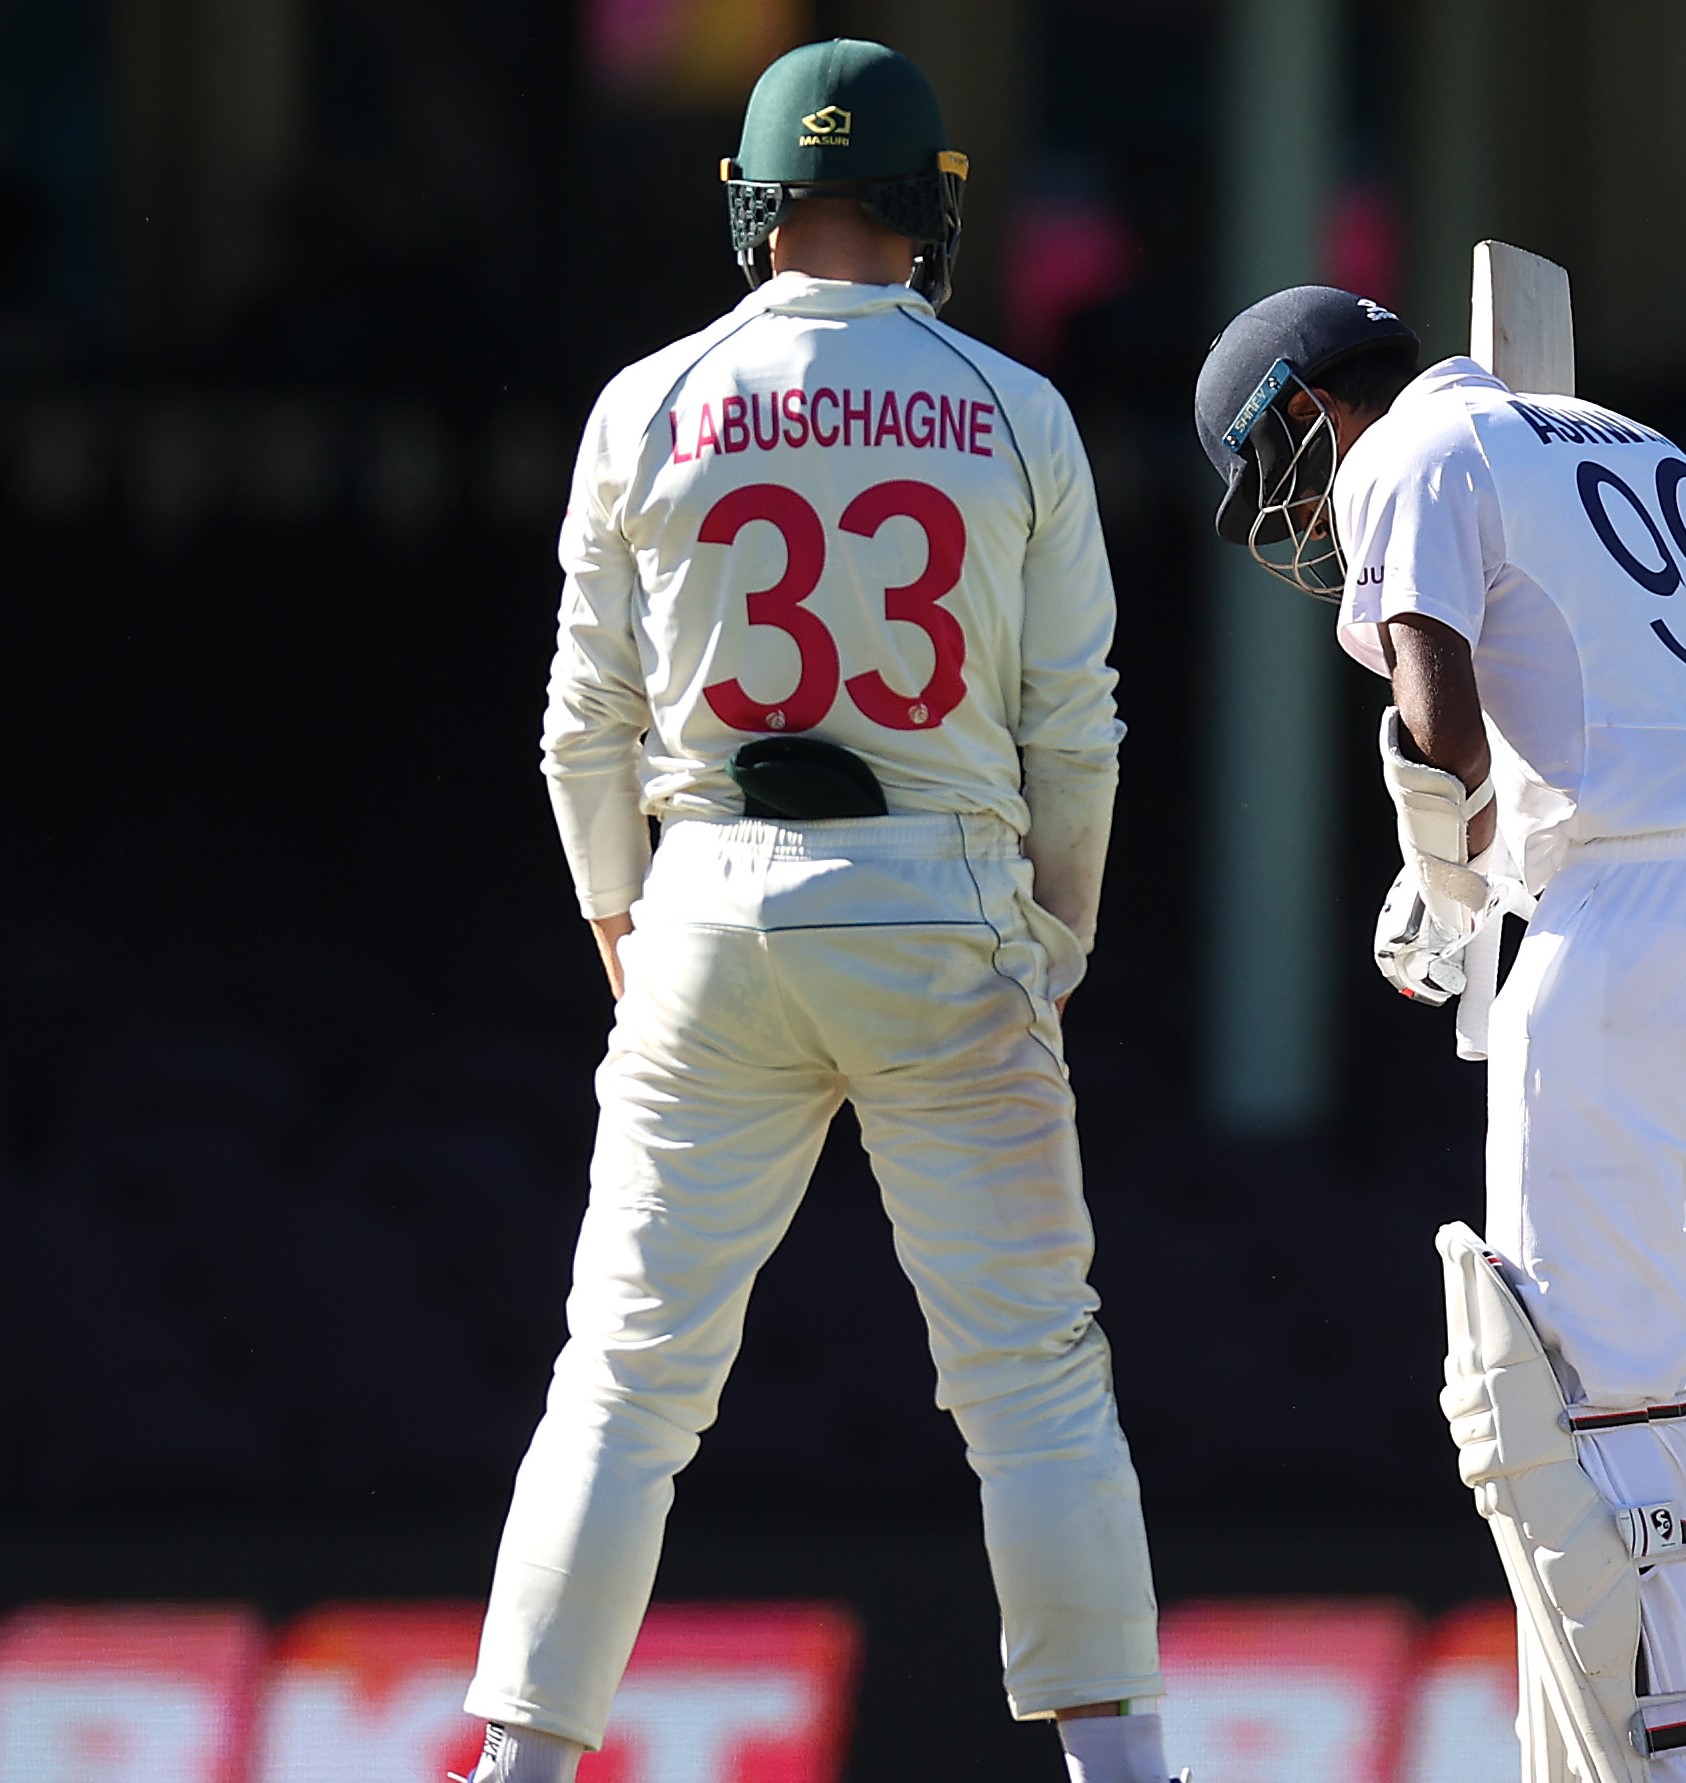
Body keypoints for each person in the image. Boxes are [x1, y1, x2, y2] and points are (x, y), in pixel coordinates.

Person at [454, 40, 1171, 1783]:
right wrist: (1052, 939)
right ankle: (1124, 1774)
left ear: (752, 204)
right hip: (946, 902)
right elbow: (1072, 720)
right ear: (932, 201)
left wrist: (631, 927)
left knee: (624, 1380)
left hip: (705, 899)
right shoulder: (1014, 405)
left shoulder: (646, 401)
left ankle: (523, 1773)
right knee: (1032, 1382)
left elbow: (580, 728)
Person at [1190, 288, 1686, 1780]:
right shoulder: (1629, 441)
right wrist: (1575, 822)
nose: (1305, 520)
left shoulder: (1408, 454)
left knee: (1542, 1371)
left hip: (1632, 921)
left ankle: (1662, 1747)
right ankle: (1598, 1740)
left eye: (1284, 481)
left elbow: (1436, 731)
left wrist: (1449, 886)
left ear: (1307, 412)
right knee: (1638, 1363)